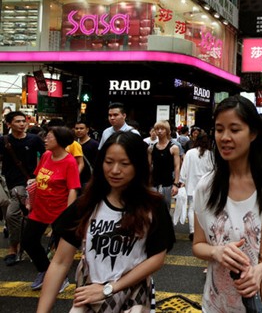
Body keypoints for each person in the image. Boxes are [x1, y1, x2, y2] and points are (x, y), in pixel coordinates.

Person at [37, 132, 176, 311]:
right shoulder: (87, 203)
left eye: (124, 164)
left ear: (139, 166)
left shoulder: (153, 205)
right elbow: (60, 262)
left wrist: (108, 289)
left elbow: (157, 257)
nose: (115, 170)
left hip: (132, 298)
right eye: (109, 162)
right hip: (89, 296)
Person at [192, 96, 262, 312]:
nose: (225, 137)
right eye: (219, 129)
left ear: (253, 134)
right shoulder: (206, 186)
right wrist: (216, 252)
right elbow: (198, 244)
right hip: (217, 303)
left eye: (235, 129)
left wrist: (260, 270)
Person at [22, 126, 80, 291]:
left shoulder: (69, 162)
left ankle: (60, 278)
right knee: (28, 241)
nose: (45, 140)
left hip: (58, 212)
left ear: (60, 141)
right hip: (39, 209)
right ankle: (45, 270)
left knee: (61, 250)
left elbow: (73, 189)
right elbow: (37, 177)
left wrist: (67, 216)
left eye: (49, 137)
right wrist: (30, 193)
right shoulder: (47, 156)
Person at [0, 111, 45, 266]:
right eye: (17, 121)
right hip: (10, 183)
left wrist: (39, 176)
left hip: (31, 183)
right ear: (9, 124)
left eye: (23, 121)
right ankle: (14, 247)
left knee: (26, 215)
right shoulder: (4, 140)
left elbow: (45, 157)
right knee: (13, 215)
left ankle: (22, 247)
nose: (21, 124)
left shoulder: (34, 140)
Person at [179, 132, 213, 241]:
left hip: (192, 185)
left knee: (192, 208)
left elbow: (184, 168)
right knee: (206, 208)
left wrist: (181, 180)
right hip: (206, 185)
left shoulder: (190, 153)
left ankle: (193, 230)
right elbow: (213, 170)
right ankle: (205, 230)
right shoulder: (210, 154)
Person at [148, 120, 181, 208]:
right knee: (153, 208)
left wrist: (176, 184)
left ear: (167, 130)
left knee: (166, 208)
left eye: (162, 129)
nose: (159, 131)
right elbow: (149, 166)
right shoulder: (151, 148)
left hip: (168, 183)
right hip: (154, 183)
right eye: (157, 129)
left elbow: (177, 166)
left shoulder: (174, 148)